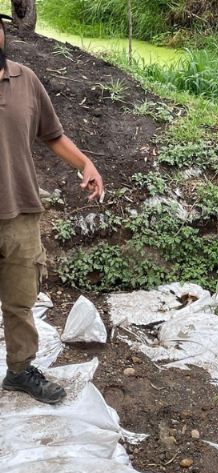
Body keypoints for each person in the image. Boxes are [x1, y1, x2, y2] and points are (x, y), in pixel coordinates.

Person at [0, 14, 105, 404]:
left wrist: (85, 164)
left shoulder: (25, 80)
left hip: (20, 210)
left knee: (20, 298)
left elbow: (52, 134)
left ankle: (19, 370)